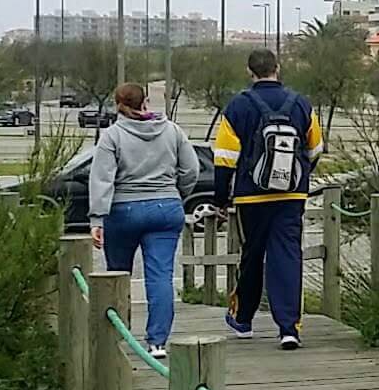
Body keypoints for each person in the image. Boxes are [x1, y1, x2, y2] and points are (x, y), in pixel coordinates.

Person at [213, 49, 324, 349]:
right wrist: (297, 175)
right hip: (292, 195)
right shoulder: (301, 104)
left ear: (250, 72)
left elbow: (224, 158)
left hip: (251, 197)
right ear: (278, 68)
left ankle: (244, 319)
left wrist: (221, 198)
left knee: (252, 255)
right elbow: (314, 150)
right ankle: (289, 328)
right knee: (287, 256)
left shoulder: (237, 106)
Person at [89, 82, 199, 359]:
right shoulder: (172, 130)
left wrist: (97, 219)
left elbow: (102, 179)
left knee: (118, 275)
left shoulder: (112, 136)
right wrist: (176, 193)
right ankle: (158, 342)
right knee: (160, 276)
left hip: (124, 210)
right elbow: (191, 169)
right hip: (166, 207)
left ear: (118, 104)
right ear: (146, 101)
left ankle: (119, 334)